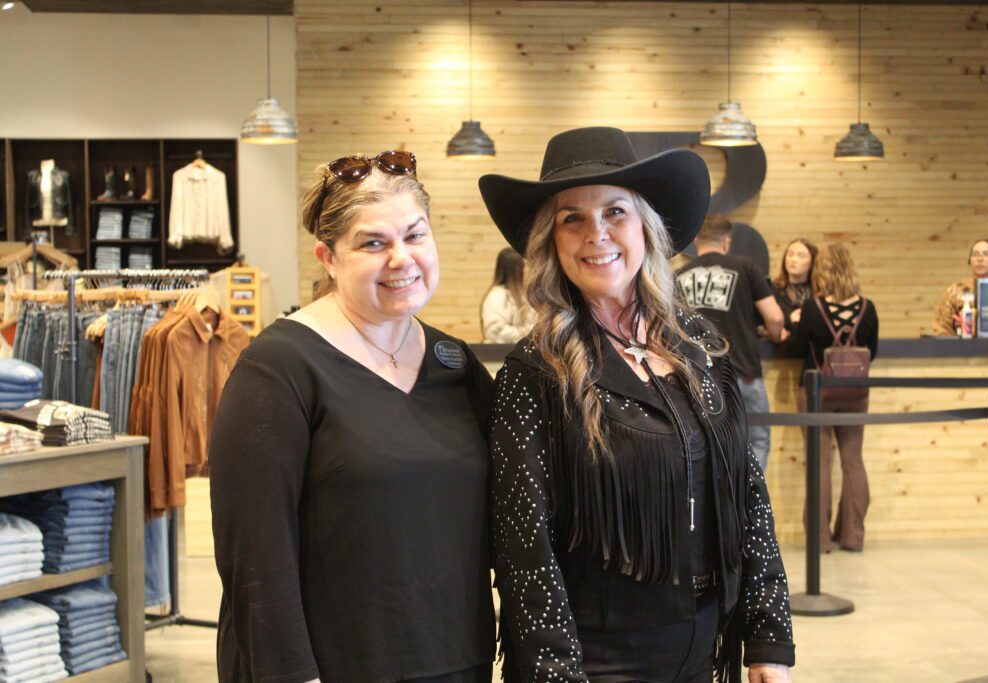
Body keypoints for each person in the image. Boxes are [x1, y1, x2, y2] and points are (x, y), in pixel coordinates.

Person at [480, 127, 794, 683]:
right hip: (600, 660)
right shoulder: (535, 373)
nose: (595, 234)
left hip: (705, 647)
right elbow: (524, 548)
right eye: (572, 218)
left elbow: (747, 492)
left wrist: (767, 635)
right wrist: (555, 672)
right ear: (551, 241)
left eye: (615, 212)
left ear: (645, 225)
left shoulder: (698, 345)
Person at [208, 151, 495, 683]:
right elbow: (254, 561)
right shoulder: (278, 370)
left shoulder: (456, 365)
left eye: (415, 235)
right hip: (333, 668)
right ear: (328, 258)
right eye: (373, 243)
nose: (401, 259)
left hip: (457, 661)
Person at [787, 243, 879, 553]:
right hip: (856, 391)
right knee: (853, 460)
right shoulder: (868, 308)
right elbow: (873, 352)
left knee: (820, 463)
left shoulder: (813, 308)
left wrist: (795, 325)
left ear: (822, 271)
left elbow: (796, 348)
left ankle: (820, 539)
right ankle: (853, 536)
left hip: (817, 391)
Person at [676, 215, 786, 473]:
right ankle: (750, 496)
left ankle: (722, 497)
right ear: (726, 241)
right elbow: (775, 317)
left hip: (696, 378)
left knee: (707, 446)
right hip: (743, 373)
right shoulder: (745, 268)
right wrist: (776, 335)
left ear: (697, 241)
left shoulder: (678, 277)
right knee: (757, 440)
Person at [932, 238, 988, 337]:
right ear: (970, 261)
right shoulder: (955, 291)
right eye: (975, 254)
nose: (980, 259)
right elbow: (941, 327)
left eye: (986, 254)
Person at [480, 247, 536, 342]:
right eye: (527, 265)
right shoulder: (498, 296)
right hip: (505, 350)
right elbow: (494, 332)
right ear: (516, 270)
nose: (531, 270)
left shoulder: (529, 294)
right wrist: (532, 331)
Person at [771, 238, 818, 331]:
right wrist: (788, 320)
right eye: (790, 254)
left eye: (801, 256)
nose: (793, 259)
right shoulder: (773, 288)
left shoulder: (819, 290)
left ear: (812, 262)